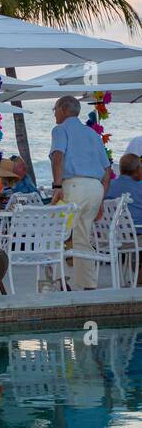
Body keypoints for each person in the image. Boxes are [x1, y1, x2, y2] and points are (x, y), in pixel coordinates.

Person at [50, 95, 113, 290]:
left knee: (56, 232)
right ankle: (87, 284)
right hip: (95, 188)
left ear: (62, 109)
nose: (54, 113)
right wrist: (101, 199)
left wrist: (57, 186)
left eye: (54, 109)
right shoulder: (92, 134)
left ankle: (58, 281)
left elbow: (58, 157)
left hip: (74, 187)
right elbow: (108, 170)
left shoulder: (60, 129)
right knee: (82, 237)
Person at [107, 154, 142, 284]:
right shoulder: (140, 187)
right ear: (137, 169)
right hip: (134, 239)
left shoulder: (108, 186)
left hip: (112, 238)